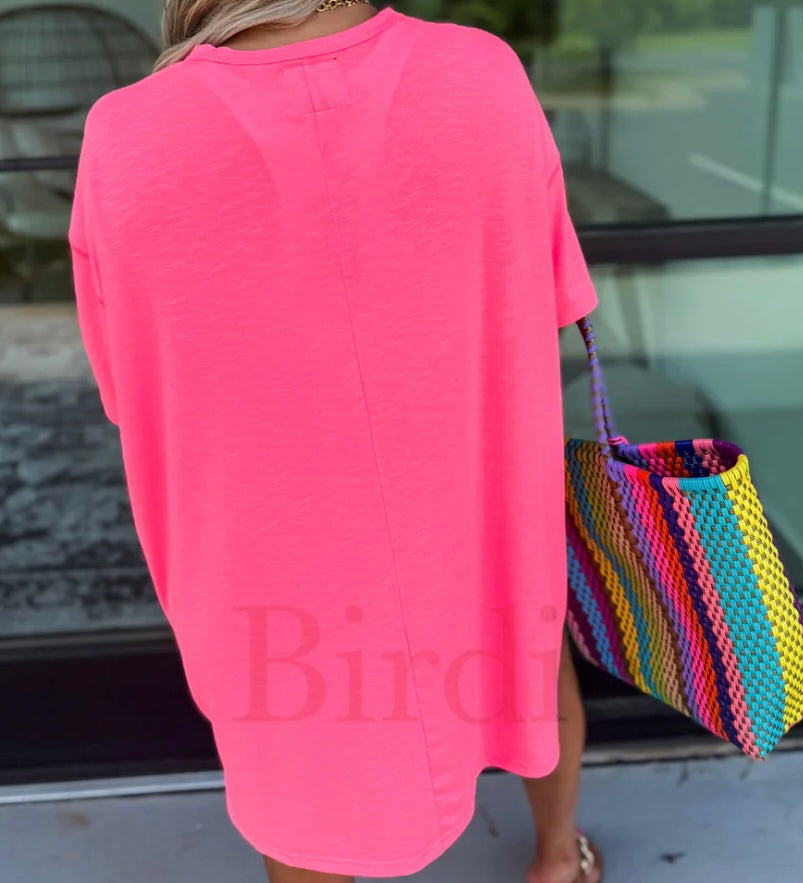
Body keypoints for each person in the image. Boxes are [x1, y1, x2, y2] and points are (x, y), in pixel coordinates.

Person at [68, 1, 603, 881]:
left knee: (300, 778)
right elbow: (552, 296)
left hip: (269, 563)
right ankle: (558, 856)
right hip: (473, 509)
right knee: (522, 647)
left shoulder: (127, 134)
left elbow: (128, 388)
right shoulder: (479, 74)